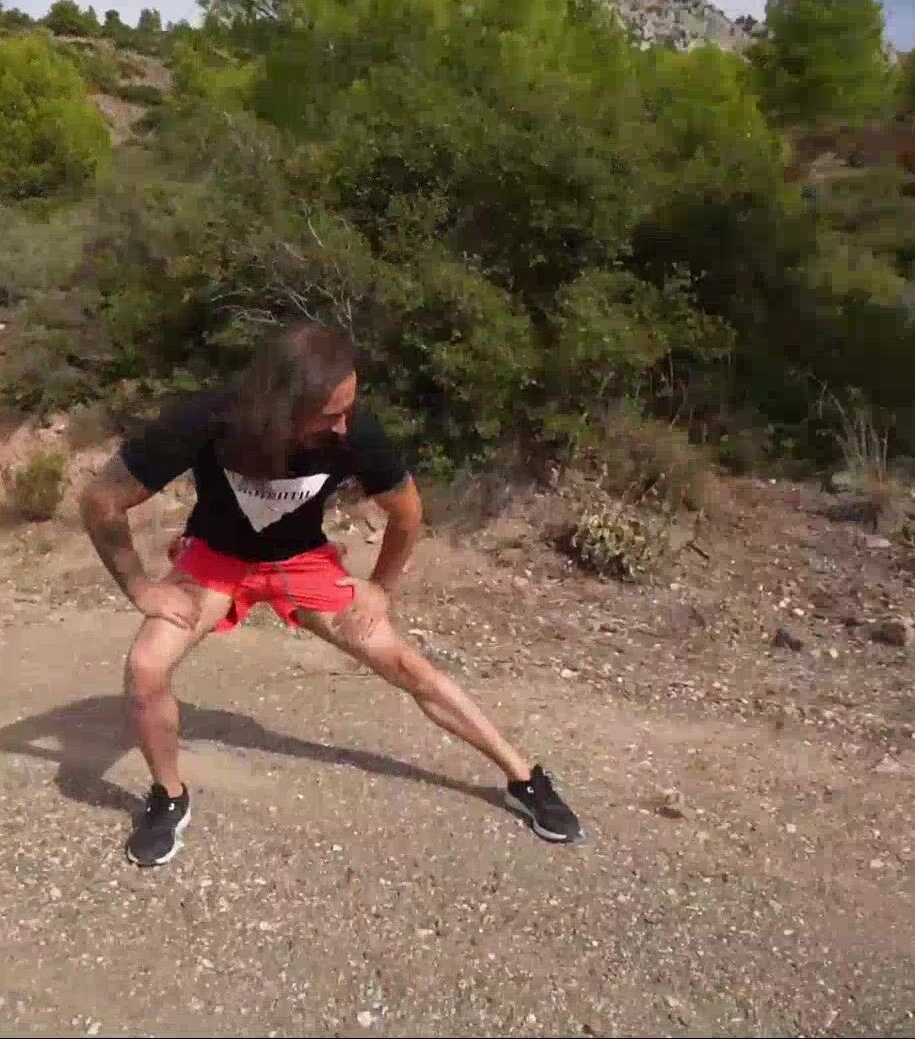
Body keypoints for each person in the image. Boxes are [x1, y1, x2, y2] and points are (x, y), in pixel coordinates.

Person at [78, 321, 583, 866]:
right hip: (216, 560)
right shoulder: (206, 419)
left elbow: (407, 514)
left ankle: (523, 777)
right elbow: (101, 499)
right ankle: (169, 795)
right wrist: (140, 588)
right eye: (329, 415)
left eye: (348, 409)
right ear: (279, 407)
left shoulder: (356, 433)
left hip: (301, 563)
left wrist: (381, 588)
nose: (344, 427)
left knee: (406, 665)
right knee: (146, 667)